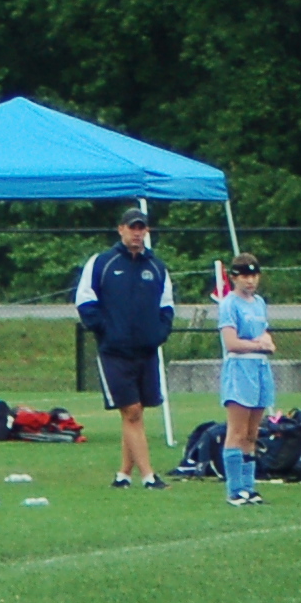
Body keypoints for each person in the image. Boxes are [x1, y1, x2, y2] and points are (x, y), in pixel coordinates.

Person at [73, 204, 175, 490]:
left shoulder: (156, 267)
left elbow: (167, 306)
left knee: (136, 412)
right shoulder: (102, 263)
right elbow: (85, 301)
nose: (137, 233)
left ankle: (123, 475)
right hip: (114, 351)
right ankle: (149, 476)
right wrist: (106, 330)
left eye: (141, 228)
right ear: (121, 229)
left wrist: (158, 333)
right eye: (132, 228)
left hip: (146, 350)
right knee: (131, 411)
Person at [214, 253, 275, 508]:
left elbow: (264, 333)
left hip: (260, 367)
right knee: (237, 431)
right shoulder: (229, 304)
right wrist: (257, 345)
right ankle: (234, 489)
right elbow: (231, 342)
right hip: (240, 369)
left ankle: (249, 487)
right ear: (234, 277)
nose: (250, 281)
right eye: (244, 276)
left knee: (252, 432)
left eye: (254, 276)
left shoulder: (259, 303)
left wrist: (267, 343)